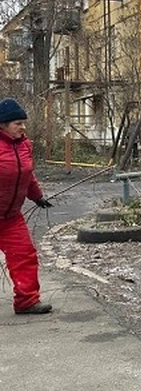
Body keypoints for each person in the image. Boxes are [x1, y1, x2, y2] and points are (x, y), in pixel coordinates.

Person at [0, 98, 54, 315]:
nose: (23, 127)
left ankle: (27, 301)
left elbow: (27, 175)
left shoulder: (25, 146)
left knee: (24, 255)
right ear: (2, 125)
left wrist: (37, 196)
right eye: (17, 123)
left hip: (11, 217)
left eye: (23, 123)